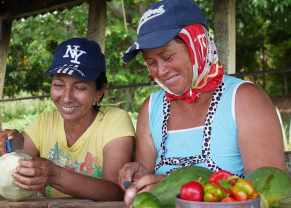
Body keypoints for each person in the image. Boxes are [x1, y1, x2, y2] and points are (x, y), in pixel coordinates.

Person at [118, 0, 286, 199]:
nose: (161, 71)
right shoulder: (151, 108)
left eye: (169, 56)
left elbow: (271, 193)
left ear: (198, 45)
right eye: (151, 62)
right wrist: (140, 177)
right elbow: (148, 190)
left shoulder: (245, 100)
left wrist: (179, 188)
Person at [0, 38, 135, 201]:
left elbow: (116, 191)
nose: (67, 97)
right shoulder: (44, 123)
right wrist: (2, 150)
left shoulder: (115, 121)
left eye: (80, 87)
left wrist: (55, 175)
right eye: (58, 85)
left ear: (99, 91)